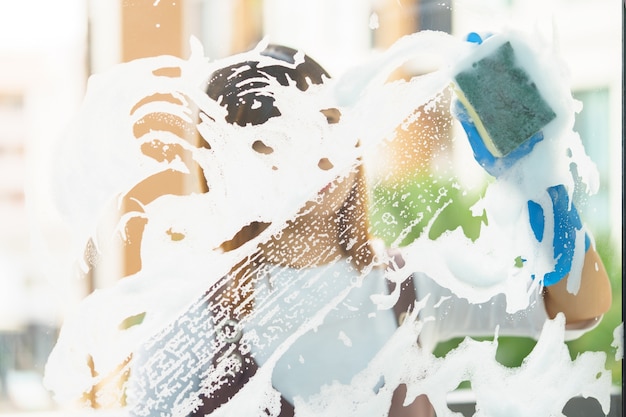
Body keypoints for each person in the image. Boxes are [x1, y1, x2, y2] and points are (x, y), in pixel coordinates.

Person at [125, 44, 612, 417]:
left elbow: (579, 306)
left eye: (329, 122)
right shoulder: (186, 324)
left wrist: (539, 176)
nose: (315, 152)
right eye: (277, 137)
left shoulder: (409, 285)